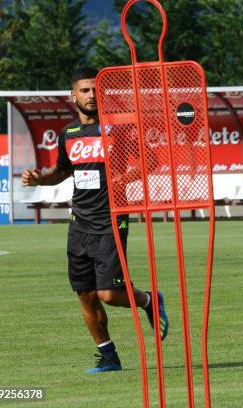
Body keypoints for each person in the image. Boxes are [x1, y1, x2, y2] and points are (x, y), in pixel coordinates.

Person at [21, 67, 169, 374]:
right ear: (72, 95)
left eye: (94, 90)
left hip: (112, 219)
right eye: (84, 90)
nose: (90, 96)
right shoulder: (69, 134)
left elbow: (150, 161)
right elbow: (62, 173)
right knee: (86, 295)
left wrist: (123, 178)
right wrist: (39, 178)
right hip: (79, 223)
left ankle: (149, 300)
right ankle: (109, 357)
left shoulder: (117, 128)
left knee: (109, 294)